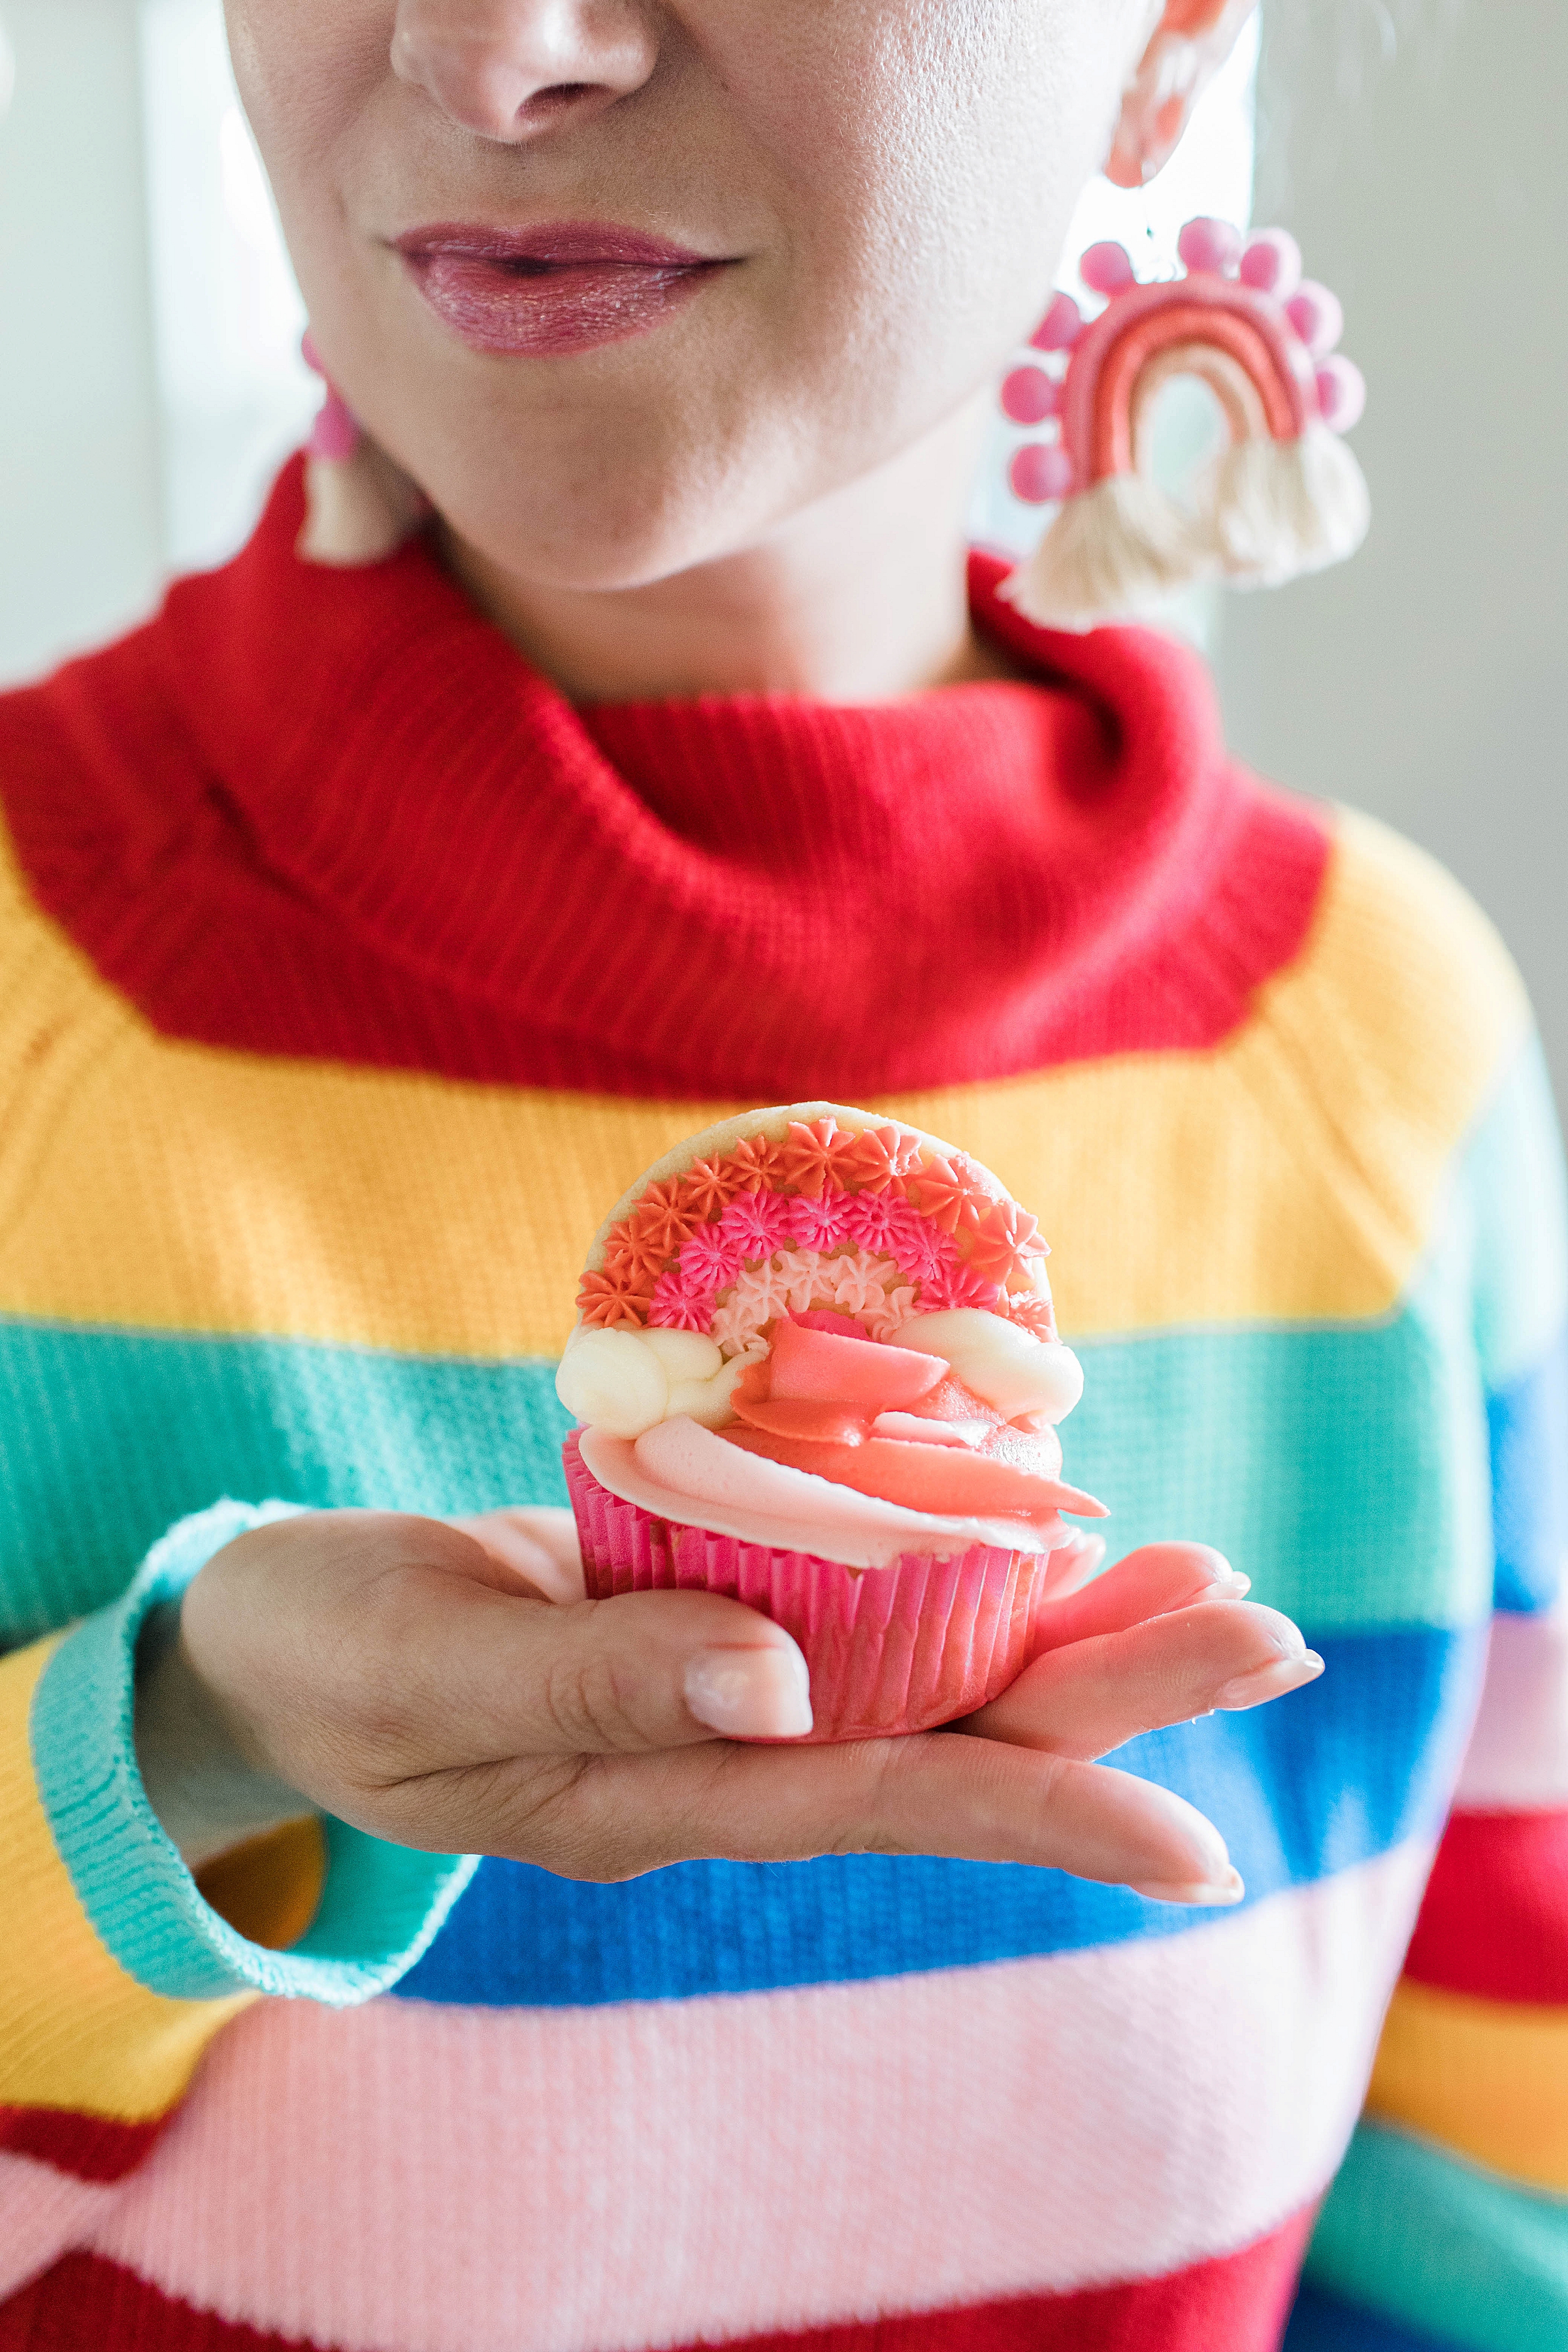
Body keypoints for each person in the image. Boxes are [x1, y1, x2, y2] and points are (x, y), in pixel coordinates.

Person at [0, 2, 1562, 2347]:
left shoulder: (1382, 1047)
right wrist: (170, 1754)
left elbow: (1481, 2236)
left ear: (1168, 48)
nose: (501, 46)